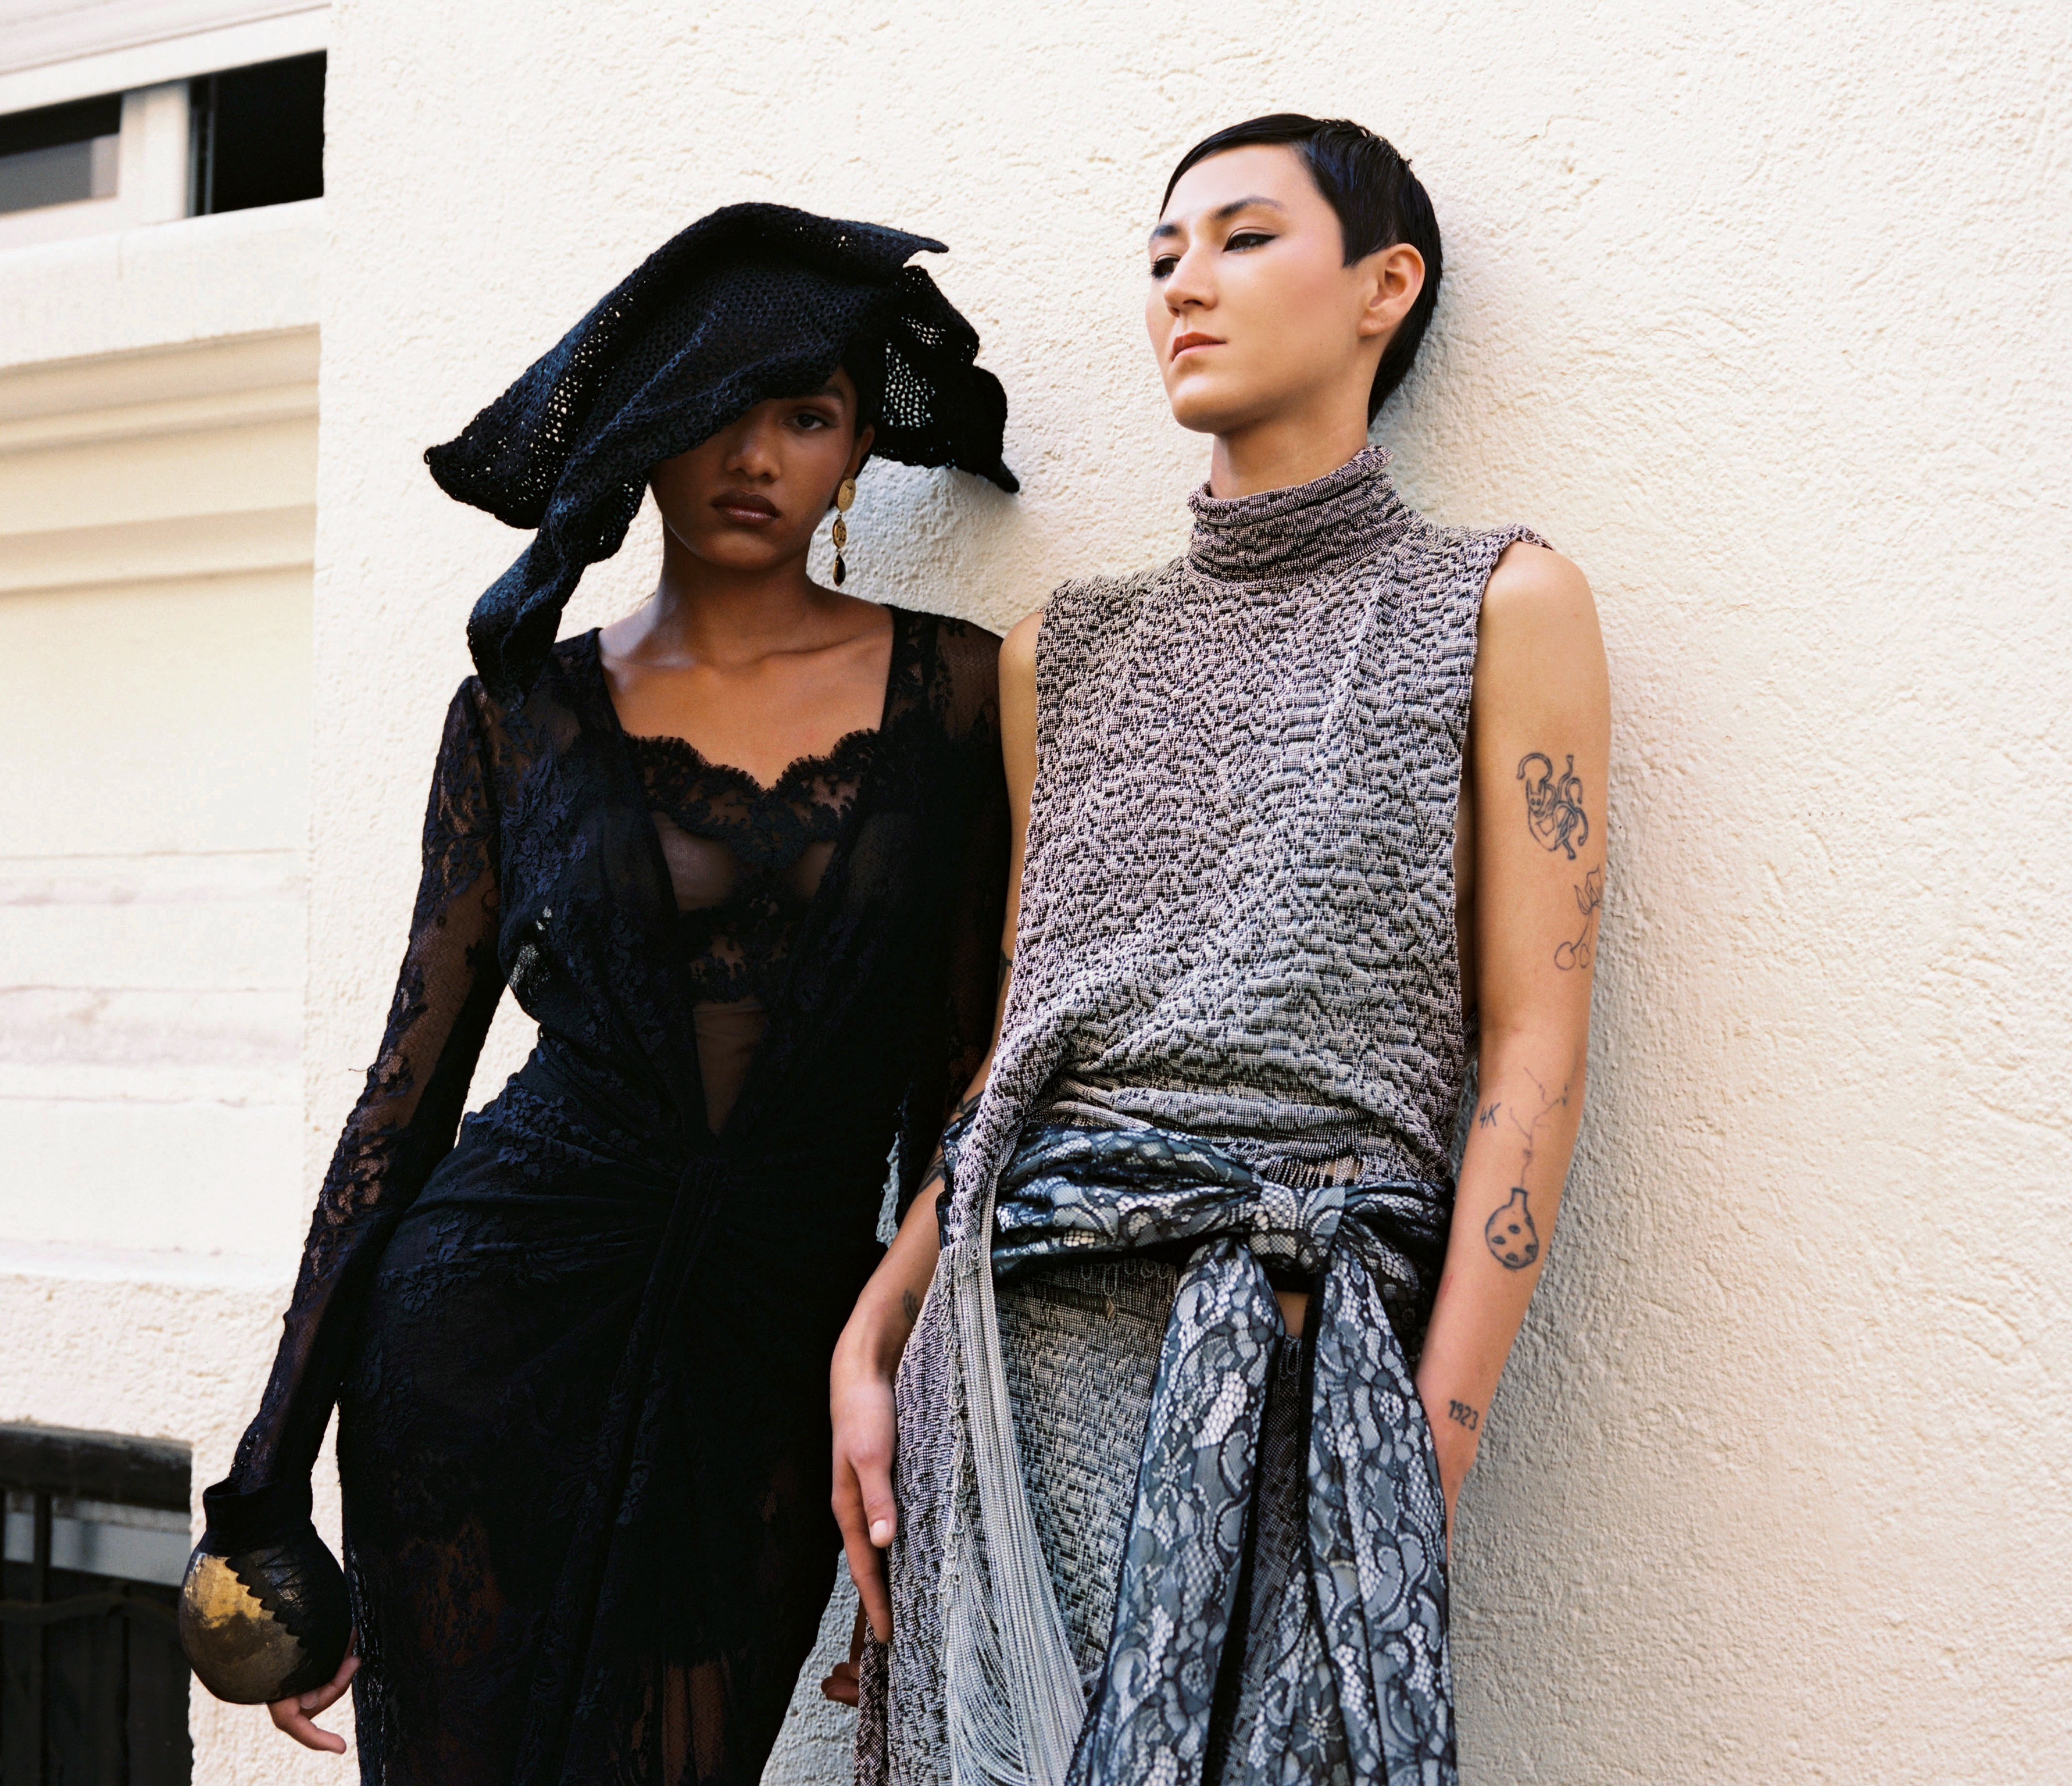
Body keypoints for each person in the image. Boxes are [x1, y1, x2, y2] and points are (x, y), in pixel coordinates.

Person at [174, 204, 1018, 1786]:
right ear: (644, 433)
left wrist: (933, 1450)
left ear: (858, 451)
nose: (754, 456)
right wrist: (266, 1485)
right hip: (480, 1350)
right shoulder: (519, 715)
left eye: (806, 414)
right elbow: (405, 1100)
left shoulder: (969, 693)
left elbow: (970, 1084)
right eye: (714, 408)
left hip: (775, 1362)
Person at [831, 117, 1610, 1785]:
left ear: (1384, 288)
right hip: (1010, 1363)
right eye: (1162, 255)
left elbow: (1533, 1048)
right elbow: (1023, 1047)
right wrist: (877, 1324)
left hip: (1300, 1366)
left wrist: (1427, 1452)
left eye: (1244, 239)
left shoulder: (1499, 603)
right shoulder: (1065, 651)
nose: (1184, 283)